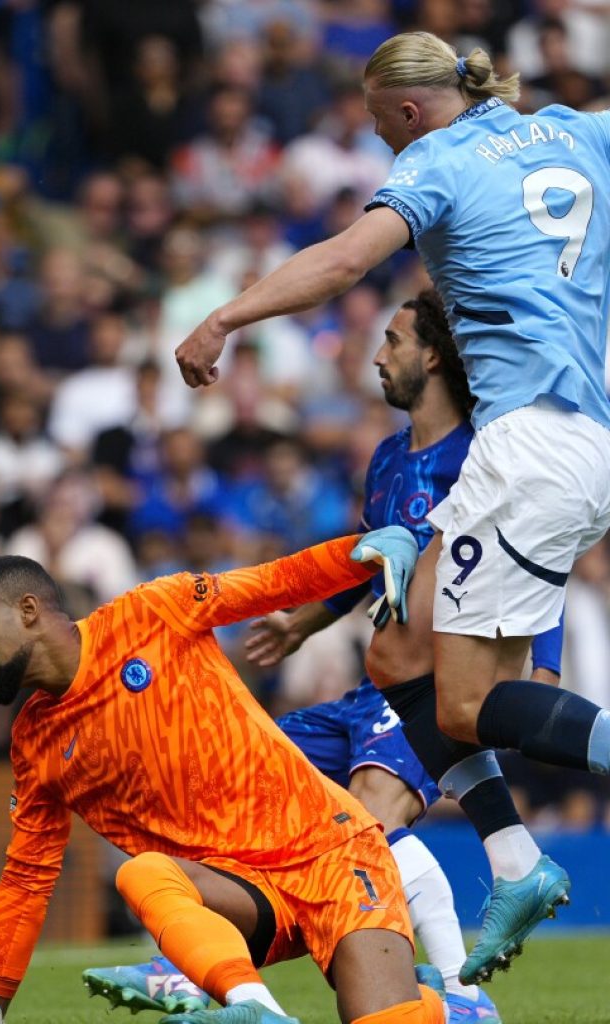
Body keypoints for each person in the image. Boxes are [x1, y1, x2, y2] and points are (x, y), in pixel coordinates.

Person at [173, 30, 610, 981]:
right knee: (409, 661)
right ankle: (517, 862)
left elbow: (341, 263)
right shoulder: (575, 131)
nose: (381, 146)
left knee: (452, 695)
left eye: (379, 128)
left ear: (408, 112)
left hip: (526, 445)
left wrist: (223, 317)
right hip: (584, 444)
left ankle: (519, 860)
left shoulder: (437, 162)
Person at [88, 290, 561, 1021]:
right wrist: (302, 625)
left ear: (433, 356)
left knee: (371, 823)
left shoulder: (478, 456)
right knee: (245, 789)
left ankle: (463, 998)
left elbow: (532, 557)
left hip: (430, 688)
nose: (378, 356)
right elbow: (371, 561)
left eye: (394, 342)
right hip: (366, 685)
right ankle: (193, 961)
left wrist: (546, 668)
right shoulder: (387, 459)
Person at [0, 531, 449, 1024]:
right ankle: (253, 1007)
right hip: (241, 896)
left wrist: (363, 549)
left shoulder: (150, 613)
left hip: (332, 853)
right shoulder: (34, 742)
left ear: (27, 610)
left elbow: (271, 583)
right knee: (143, 872)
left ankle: (434, 1005)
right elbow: (25, 881)